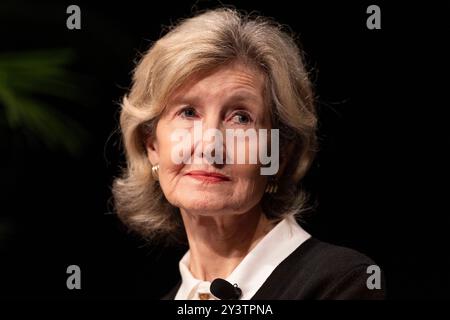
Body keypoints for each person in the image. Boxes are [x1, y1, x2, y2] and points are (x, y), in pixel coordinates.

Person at [112, 8, 384, 300]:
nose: (209, 146)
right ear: (152, 145)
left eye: (241, 118)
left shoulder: (340, 284)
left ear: (278, 154)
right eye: (188, 112)